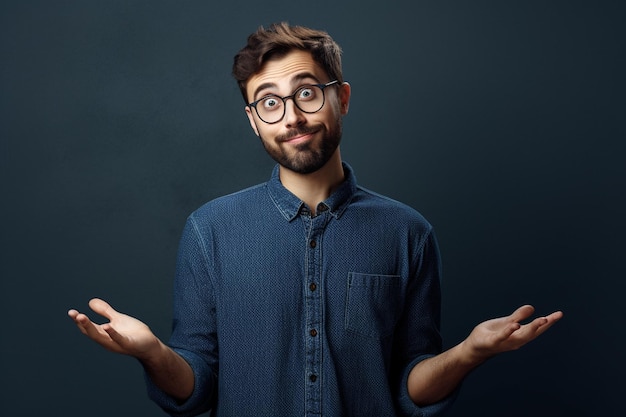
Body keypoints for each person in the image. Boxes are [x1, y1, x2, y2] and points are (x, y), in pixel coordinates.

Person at [68, 22, 563, 417]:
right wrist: (153, 352)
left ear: (341, 98)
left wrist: (470, 353)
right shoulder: (209, 231)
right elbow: (195, 388)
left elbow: (410, 386)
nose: (291, 117)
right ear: (253, 119)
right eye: (269, 102)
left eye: (307, 93)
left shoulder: (408, 232)